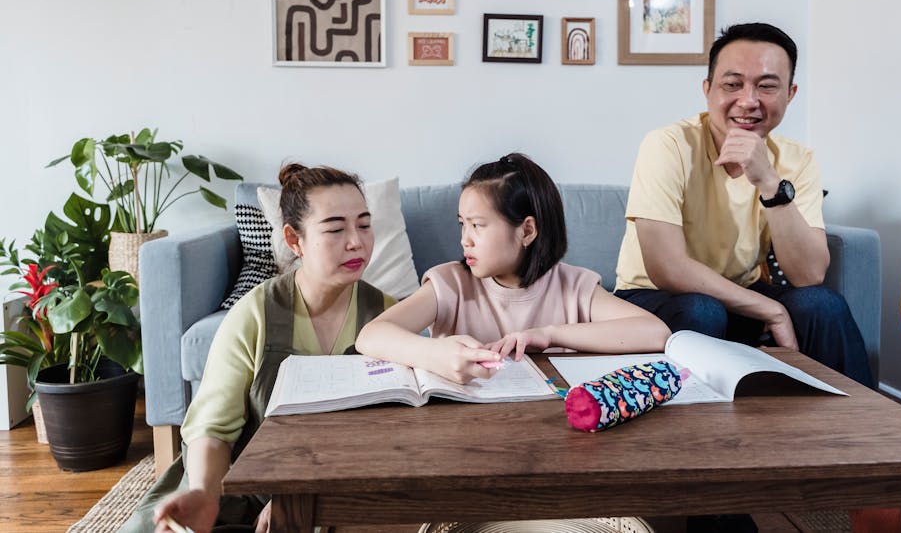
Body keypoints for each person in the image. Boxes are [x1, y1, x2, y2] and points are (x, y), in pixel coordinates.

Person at [613, 23, 874, 530]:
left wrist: (768, 182)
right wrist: (767, 307)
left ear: (791, 93)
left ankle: (868, 478)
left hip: (736, 299)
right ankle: (718, 511)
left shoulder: (796, 160)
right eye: (732, 84)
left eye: (767, 85)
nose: (748, 101)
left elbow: (809, 272)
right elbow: (666, 266)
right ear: (707, 89)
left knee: (823, 305)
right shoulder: (668, 145)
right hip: (655, 299)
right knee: (700, 310)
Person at [119, 164, 396, 533]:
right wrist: (204, 493)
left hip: (342, 483)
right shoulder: (256, 313)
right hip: (235, 483)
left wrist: (301, 497)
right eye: (335, 229)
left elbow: (391, 438)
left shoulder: (388, 314)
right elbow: (214, 429)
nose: (356, 242)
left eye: (364, 224)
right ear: (294, 240)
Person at [356, 152, 670, 383]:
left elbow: (656, 333)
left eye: (478, 225)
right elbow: (371, 336)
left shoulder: (572, 286)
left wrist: (549, 335)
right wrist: (435, 354)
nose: (466, 239)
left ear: (527, 231)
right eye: (462, 224)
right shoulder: (449, 283)